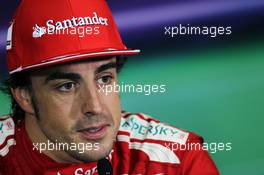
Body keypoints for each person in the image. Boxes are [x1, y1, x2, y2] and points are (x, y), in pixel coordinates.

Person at [0, 0, 220, 174]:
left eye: (104, 79)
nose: (95, 107)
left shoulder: (176, 159)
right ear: (25, 96)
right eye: (67, 86)